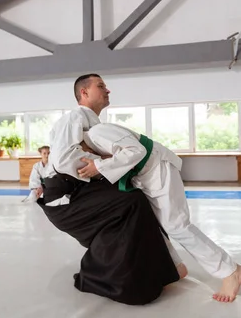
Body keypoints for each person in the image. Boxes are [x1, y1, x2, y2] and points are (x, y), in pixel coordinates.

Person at [37, 74, 181, 305]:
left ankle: (166, 269)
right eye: (101, 86)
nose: (108, 90)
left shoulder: (96, 125)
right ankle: (120, 280)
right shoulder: (74, 117)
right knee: (132, 202)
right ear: (83, 93)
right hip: (65, 194)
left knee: (136, 198)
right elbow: (64, 159)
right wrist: (102, 159)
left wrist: (104, 161)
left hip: (83, 188)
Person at [81, 122, 241, 303]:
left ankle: (231, 271)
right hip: (144, 177)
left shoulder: (97, 133)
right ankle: (175, 267)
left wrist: (99, 167)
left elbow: (136, 151)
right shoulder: (94, 144)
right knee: (148, 221)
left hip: (157, 169)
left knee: (177, 226)